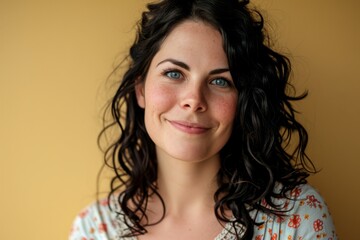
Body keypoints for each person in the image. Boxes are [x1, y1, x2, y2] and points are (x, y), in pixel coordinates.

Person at [70, 0, 337, 239]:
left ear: (243, 101)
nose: (194, 99)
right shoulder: (95, 228)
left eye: (220, 81)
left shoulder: (294, 218)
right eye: (174, 73)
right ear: (140, 89)